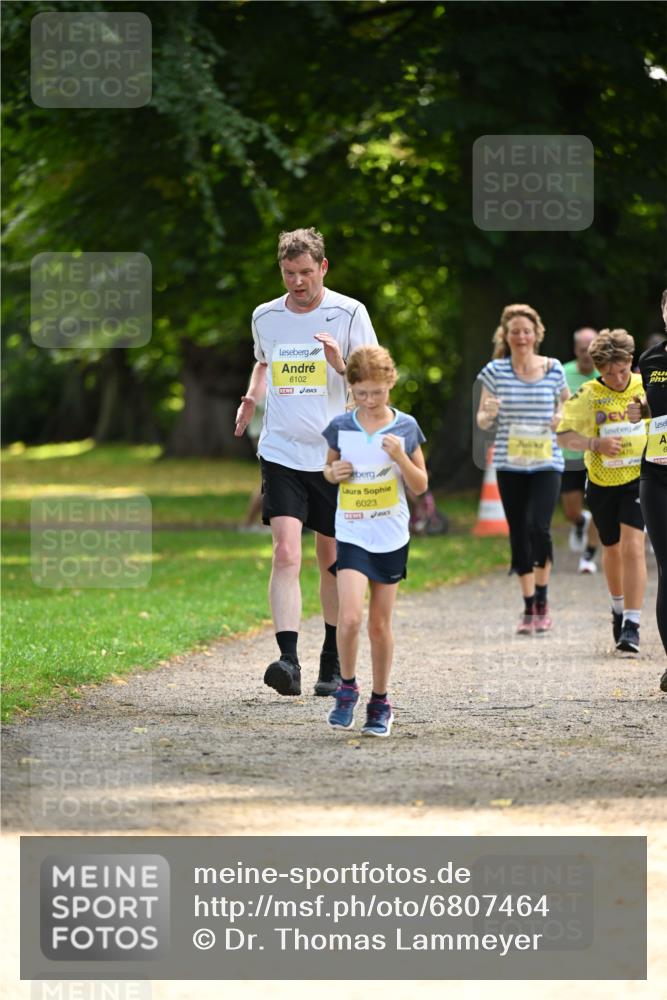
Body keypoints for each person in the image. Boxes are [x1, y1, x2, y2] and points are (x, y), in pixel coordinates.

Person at [234, 227, 377, 697]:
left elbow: (372, 381)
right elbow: (263, 362)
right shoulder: (265, 316)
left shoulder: (349, 312)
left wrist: (339, 362)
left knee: (330, 557)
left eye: (305, 272)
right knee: (286, 552)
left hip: (334, 455)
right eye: (288, 273)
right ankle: (288, 660)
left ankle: (331, 661)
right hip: (281, 451)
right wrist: (251, 397)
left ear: (323, 267)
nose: (297, 282)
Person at [321, 345, 427, 737]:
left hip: (390, 534)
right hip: (352, 531)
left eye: (377, 392)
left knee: (379, 626)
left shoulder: (405, 427)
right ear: (351, 388)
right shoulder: (341, 426)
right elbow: (327, 469)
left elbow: (421, 484)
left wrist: (401, 457)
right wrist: (334, 473)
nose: (369, 400)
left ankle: (380, 702)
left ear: (390, 384)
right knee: (349, 618)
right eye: (361, 392)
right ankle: (347, 688)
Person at [476, 304, 569, 635]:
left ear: (536, 334)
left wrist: (561, 417)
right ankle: (529, 605)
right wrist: (488, 413)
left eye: (526, 331)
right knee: (518, 531)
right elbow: (482, 420)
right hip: (509, 464)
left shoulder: (553, 368)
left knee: (539, 527)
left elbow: (568, 405)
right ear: (506, 336)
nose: (521, 337)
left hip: (546, 462)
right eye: (515, 331)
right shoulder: (494, 371)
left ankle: (543, 600)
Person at [557, 329, 647, 654]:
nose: (618, 379)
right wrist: (596, 443)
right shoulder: (589, 393)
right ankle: (618, 609)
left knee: (634, 547)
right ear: (598, 369)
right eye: (609, 374)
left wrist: (648, 411)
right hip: (601, 482)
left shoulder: (645, 386)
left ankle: (633, 625)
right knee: (612, 549)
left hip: (639, 478)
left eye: (623, 370)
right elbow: (563, 436)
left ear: (631, 361)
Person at [628, 291, 667, 689]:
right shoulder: (651, 359)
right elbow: (653, 406)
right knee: (666, 568)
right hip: (656, 472)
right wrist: (642, 410)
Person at [560, 327, 601, 573]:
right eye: (582, 350)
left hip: (598, 453)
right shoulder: (562, 373)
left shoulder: (606, 374)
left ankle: (589, 555)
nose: (587, 354)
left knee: (597, 505)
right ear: (575, 350)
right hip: (570, 454)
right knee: (571, 510)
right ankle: (579, 521)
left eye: (591, 349)